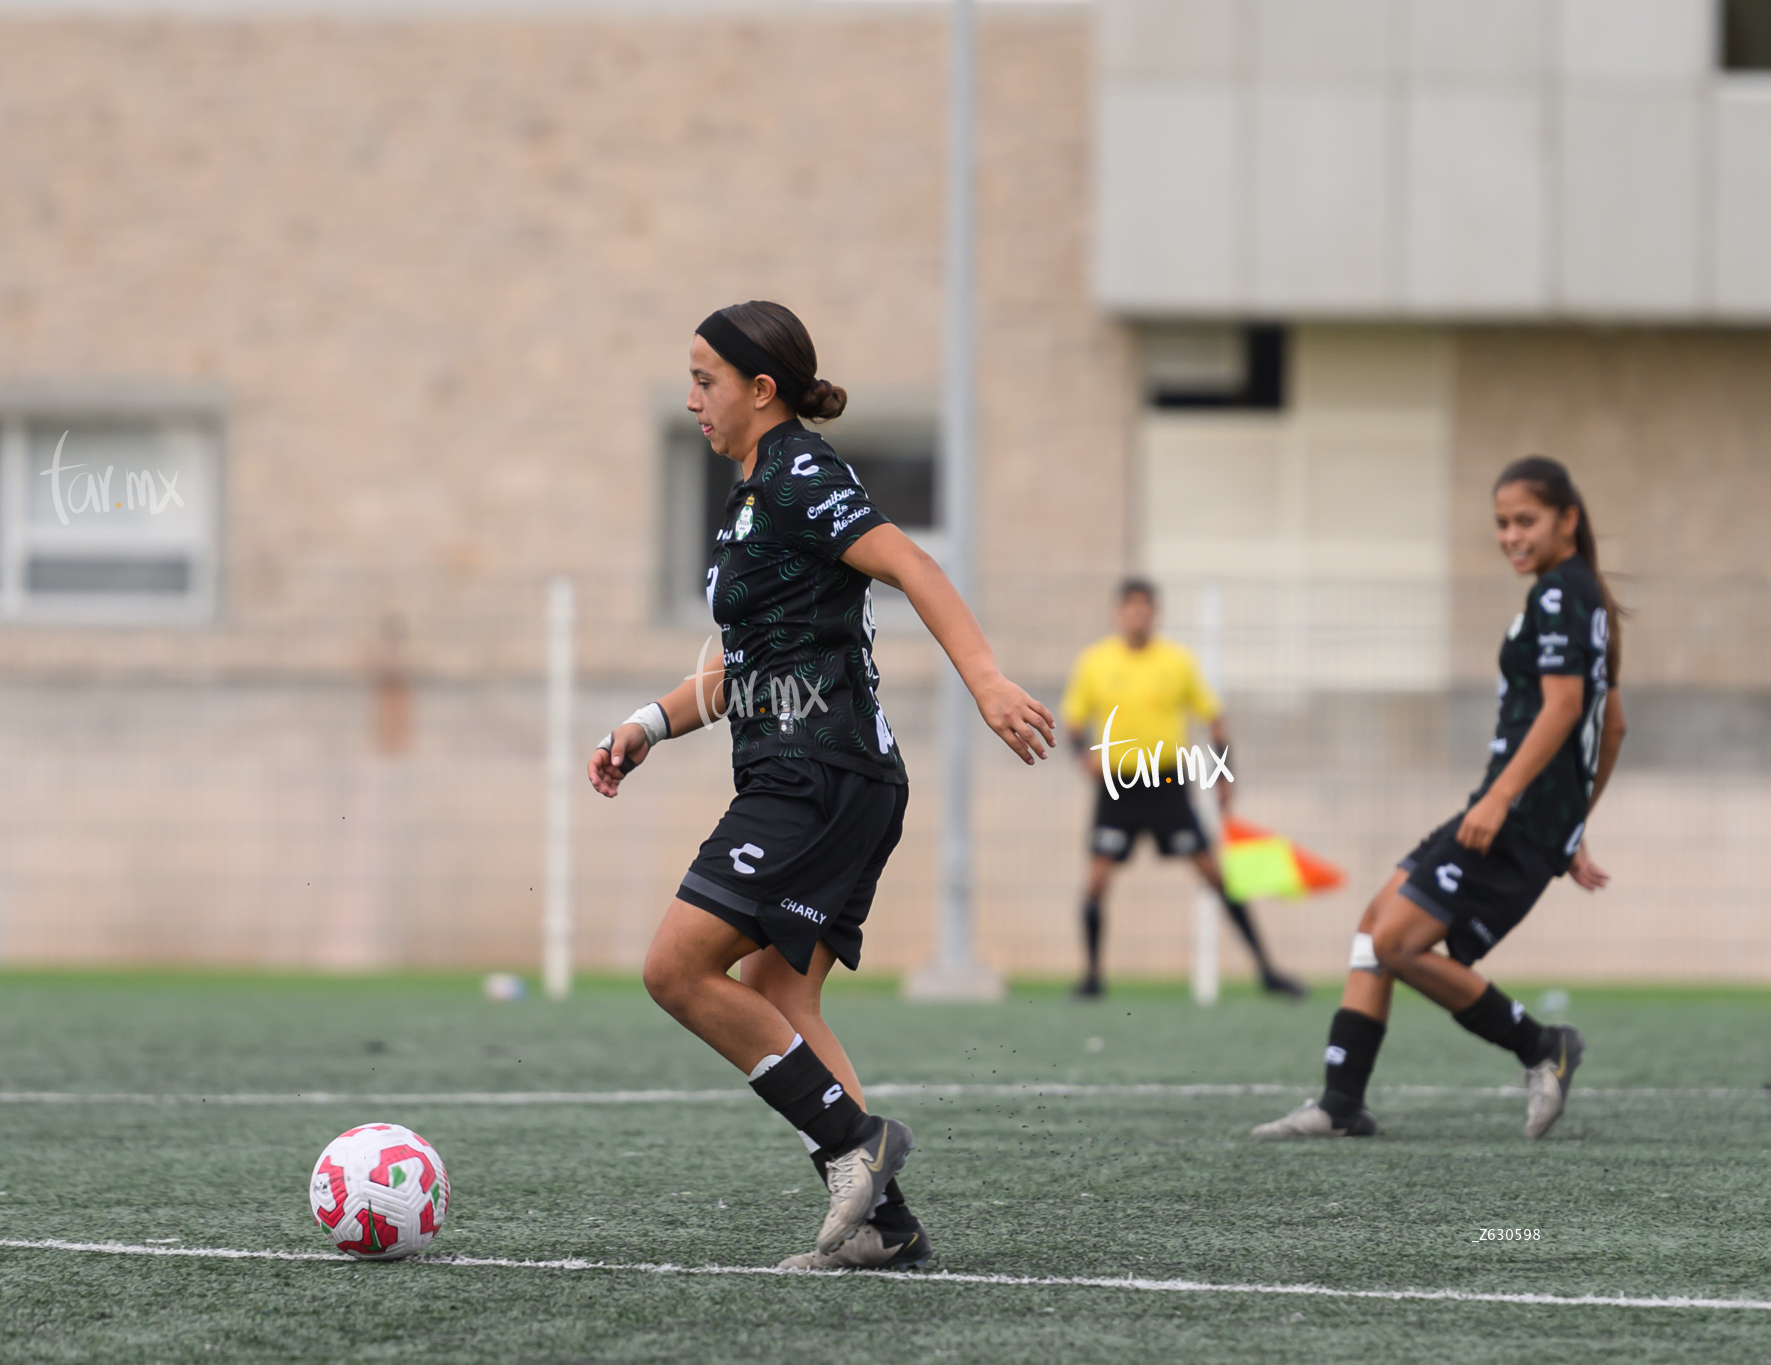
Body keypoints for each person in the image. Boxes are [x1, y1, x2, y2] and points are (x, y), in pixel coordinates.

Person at [589, 301, 1056, 1269]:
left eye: (705, 381)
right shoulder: (754, 492)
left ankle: (855, 1146)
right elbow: (740, 663)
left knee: (676, 970)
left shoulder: (802, 473)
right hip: (825, 774)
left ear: (762, 390)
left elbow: (911, 565)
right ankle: (884, 1229)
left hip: (817, 774)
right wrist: (645, 726)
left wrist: (985, 680)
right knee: (779, 998)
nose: (690, 401)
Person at [1254, 456, 1627, 1141]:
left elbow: (1568, 707)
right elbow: (1614, 727)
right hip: (1515, 810)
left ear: (1567, 519)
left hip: (1508, 814)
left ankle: (1544, 1046)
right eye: (1501, 522)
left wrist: (1511, 801)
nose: (1511, 534)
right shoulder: (1583, 597)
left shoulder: (1557, 597)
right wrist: (1570, 827)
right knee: (1376, 923)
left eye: (1526, 520)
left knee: (1397, 941)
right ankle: (1342, 1103)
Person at [1060, 579, 1305, 999]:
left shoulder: (1178, 662)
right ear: (1119, 613)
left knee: (1214, 874)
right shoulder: (1095, 662)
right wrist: (1083, 756)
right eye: (1130, 608)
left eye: (1145, 608)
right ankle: (1092, 978)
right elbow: (1074, 722)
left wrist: (1226, 776)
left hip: (1168, 784)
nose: (1138, 615)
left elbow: (1214, 719)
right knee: (1096, 881)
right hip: (1119, 787)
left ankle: (1267, 971)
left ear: (1156, 613)